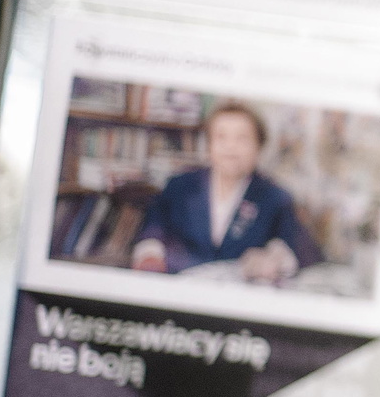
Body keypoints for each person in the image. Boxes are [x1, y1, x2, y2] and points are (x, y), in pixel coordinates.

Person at [134, 102, 321, 281]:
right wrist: (150, 255)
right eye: (221, 137)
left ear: (259, 146)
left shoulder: (275, 197)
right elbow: (153, 229)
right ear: (209, 145)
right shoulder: (180, 186)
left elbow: (300, 251)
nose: (230, 147)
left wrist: (273, 258)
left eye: (242, 138)